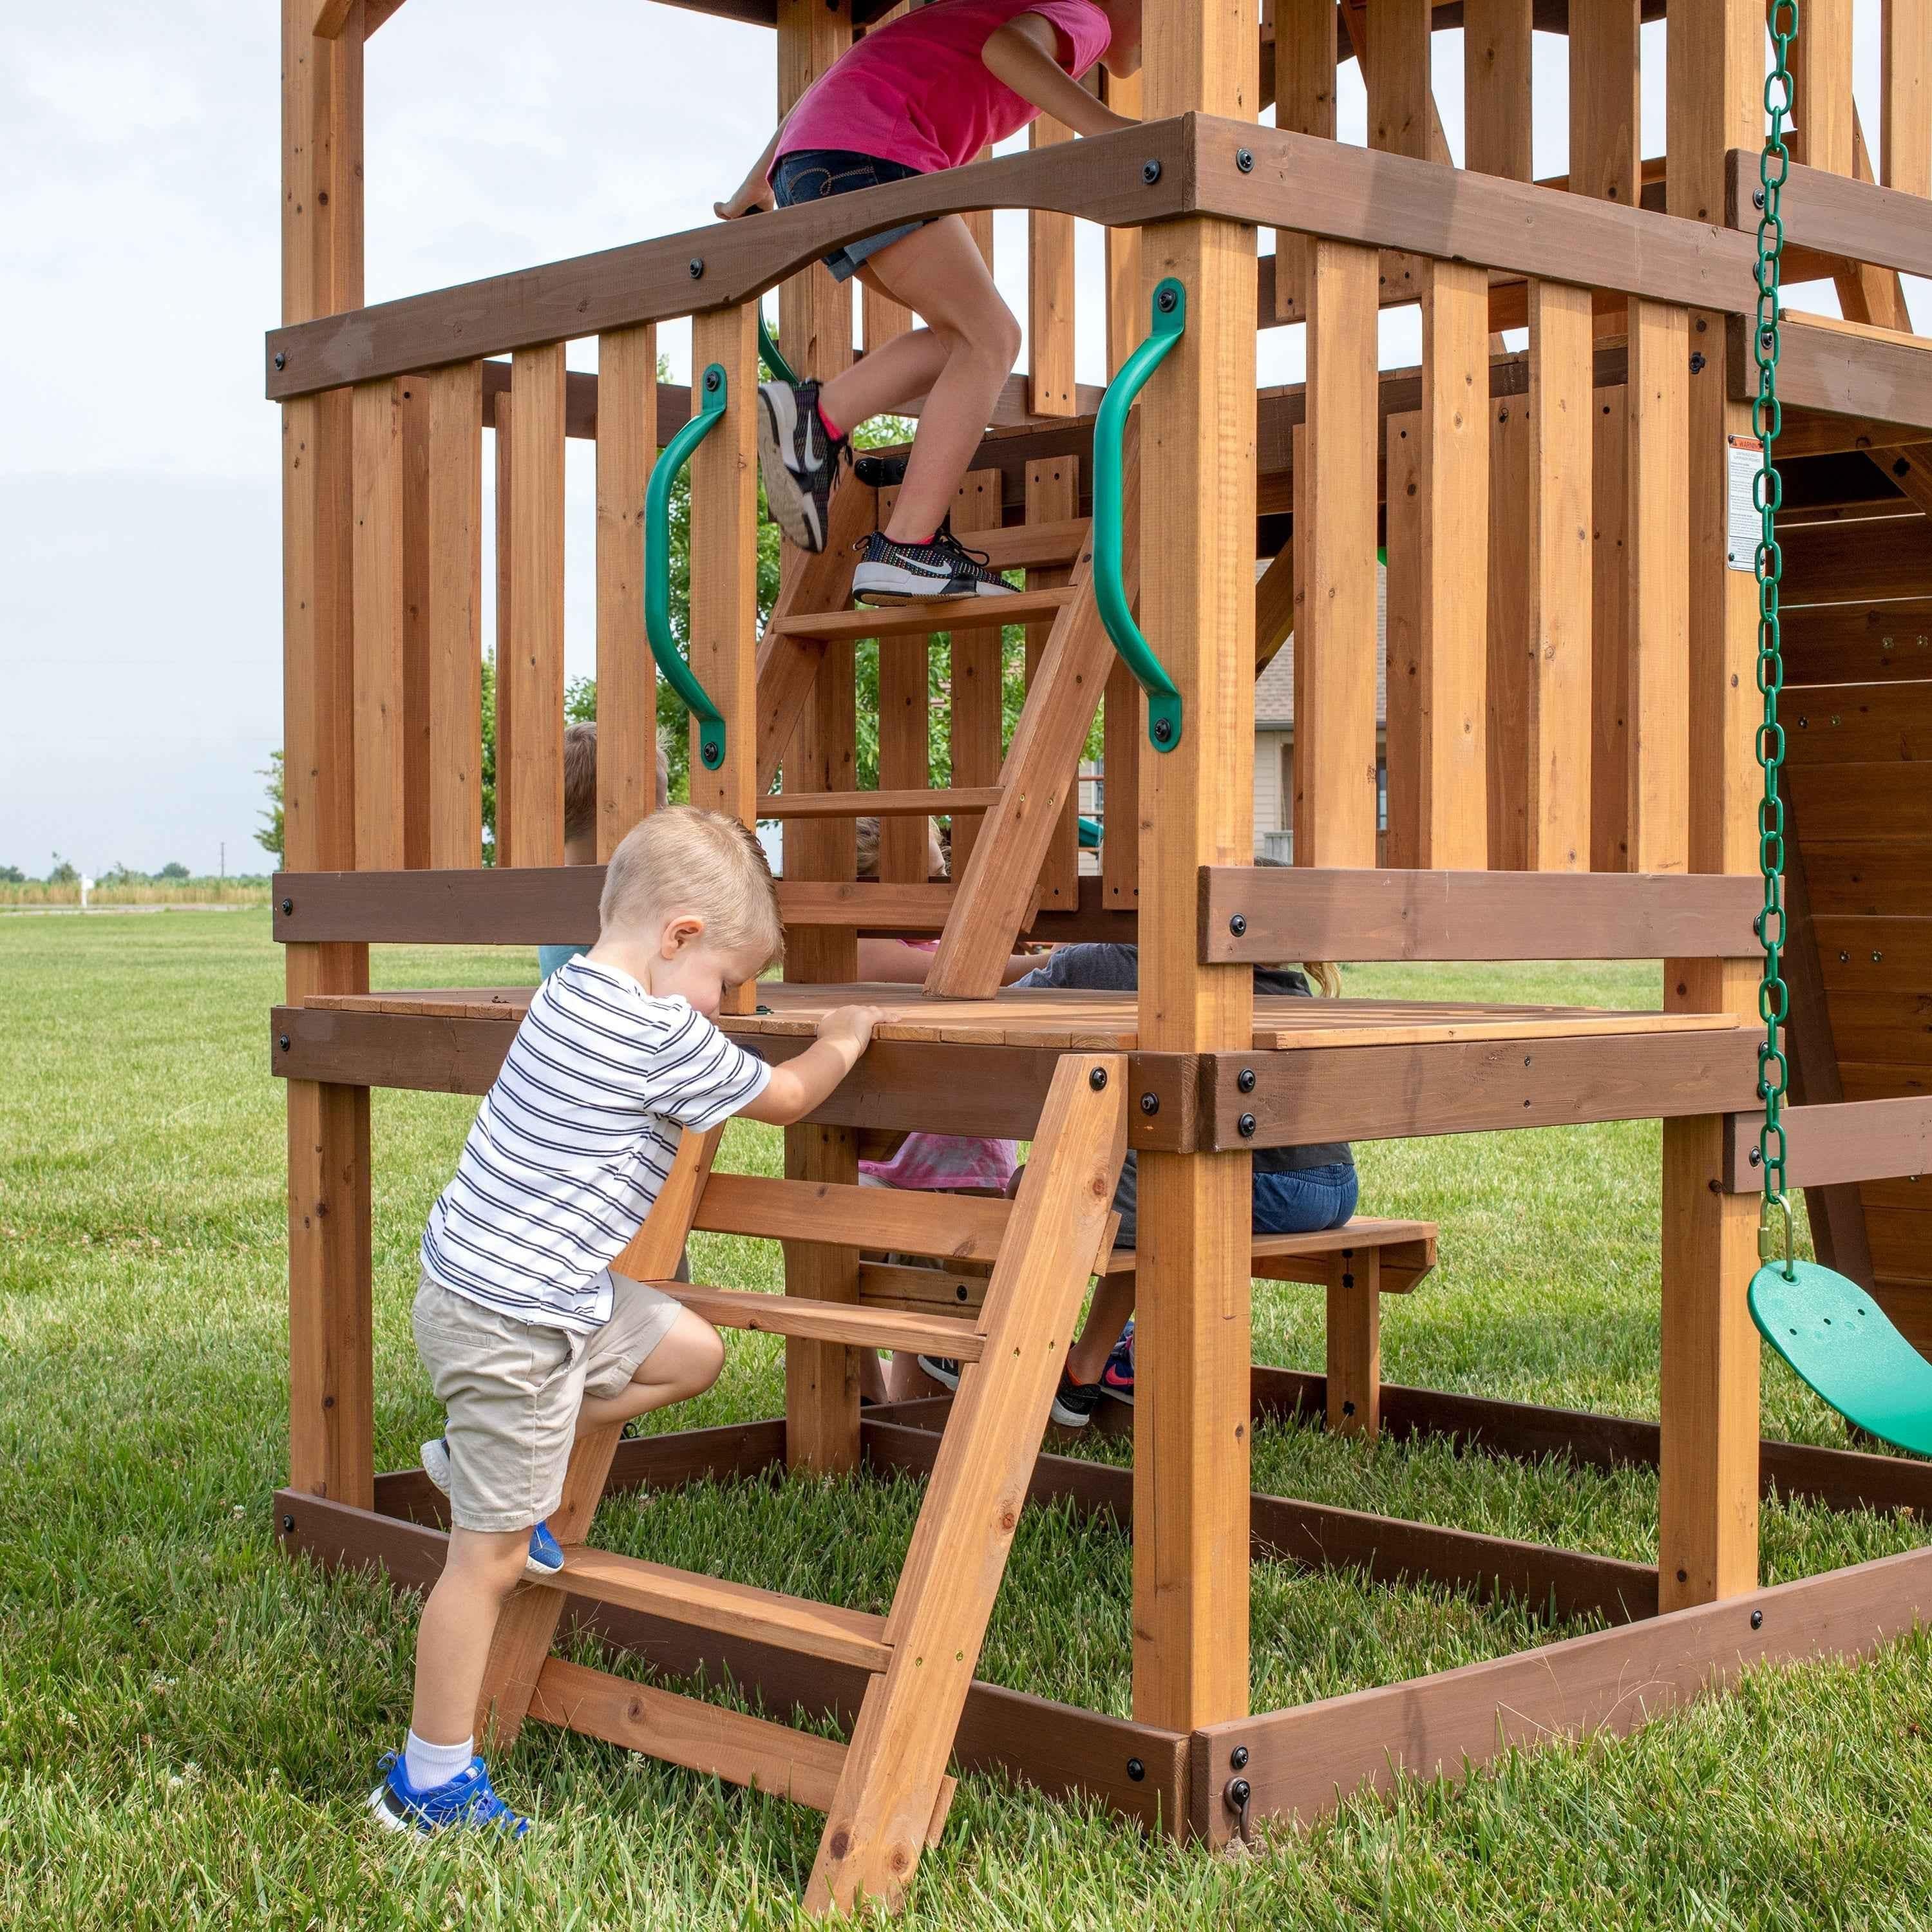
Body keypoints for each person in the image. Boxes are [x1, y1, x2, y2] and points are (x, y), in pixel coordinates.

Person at [370, 808, 893, 1837]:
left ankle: (488, 1468)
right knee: (488, 1567)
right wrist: (844, 1037)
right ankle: (428, 1785)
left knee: (691, 1351)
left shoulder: (568, 992)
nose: (723, 1009)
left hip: (507, 1294)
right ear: (680, 937)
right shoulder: (659, 1031)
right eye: (724, 985)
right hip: (517, 1321)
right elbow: (786, 1096)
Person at [717, 0, 1143, 603]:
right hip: (874, 157)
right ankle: (907, 547)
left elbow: (829, 83)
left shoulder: (989, 12)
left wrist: (757, 185)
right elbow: (1006, 49)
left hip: (817, 166)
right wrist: (1110, 132)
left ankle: (819, 415)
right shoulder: (1084, 13)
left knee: (962, 338)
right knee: (991, 337)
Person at [918, 943, 1359, 1426]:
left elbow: (992, 1023)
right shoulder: (1286, 982)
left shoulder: (1119, 966)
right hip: (1332, 1185)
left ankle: (1011, 1349)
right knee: (1141, 1164)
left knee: (1060, 1181)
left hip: (1272, 1186)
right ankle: (1086, 1366)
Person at [535, 720, 670, 981]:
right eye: (659, 803)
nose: (667, 813)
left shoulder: (555, 886)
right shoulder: (632, 889)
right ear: (615, 810)